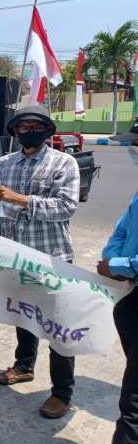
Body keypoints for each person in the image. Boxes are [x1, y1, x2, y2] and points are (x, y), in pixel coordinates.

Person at [0, 105, 79, 419]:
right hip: (14, 256)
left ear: (47, 131)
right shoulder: (2, 164)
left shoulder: (63, 162)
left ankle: (62, 393)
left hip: (52, 259)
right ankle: (24, 366)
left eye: (35, 126)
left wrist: (18, 199)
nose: (28, 131)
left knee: (58, 326)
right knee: (23, 315)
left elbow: (66, 207)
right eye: (22, 127)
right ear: (14, 132)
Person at [97, 120, 138, 443]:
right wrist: (112, 261)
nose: (134, 150)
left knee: (133, 404)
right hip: (130, 296)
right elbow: (123, 229)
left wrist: (123, 265)